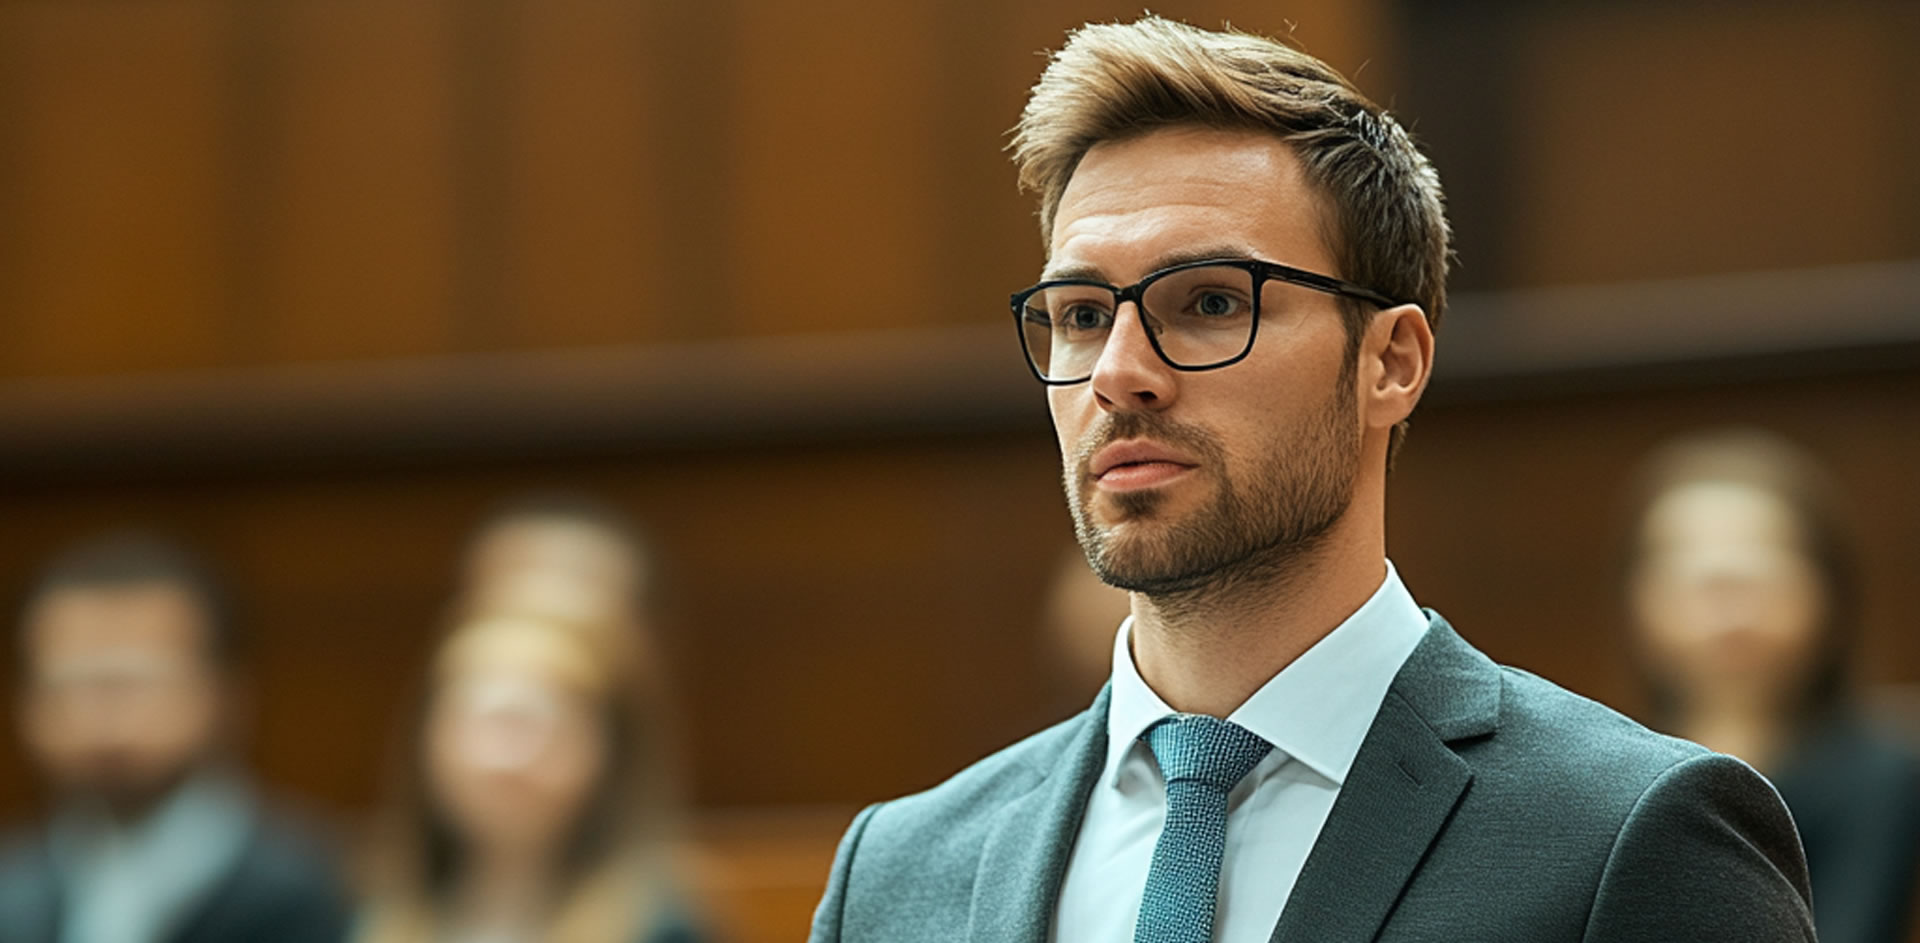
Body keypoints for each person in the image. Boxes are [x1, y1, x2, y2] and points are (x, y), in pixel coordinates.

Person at [810, 16, 1813, 943]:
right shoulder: (897, 875)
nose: (1118, 370)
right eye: (1080, 314)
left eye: (1206, 301)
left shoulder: (1630, 835)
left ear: (1391, 363)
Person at [1625, 427, 1920, 943]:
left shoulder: (1889, 773)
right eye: (1703, 579)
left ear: (1829, 592)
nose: (1732, 613)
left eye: (1761, 571)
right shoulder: (1607, 771)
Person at [0, 532, 350, 943]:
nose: (103, 717)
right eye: (72, 683)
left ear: (225, 694)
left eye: (135, 680)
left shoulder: (312, 886)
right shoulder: (13, 886)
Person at [354, 609, 703, 943]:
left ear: (604, 753)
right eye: (483, 725)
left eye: (535, 729)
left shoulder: (659, 928)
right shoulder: (379, 916)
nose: (507, 761)